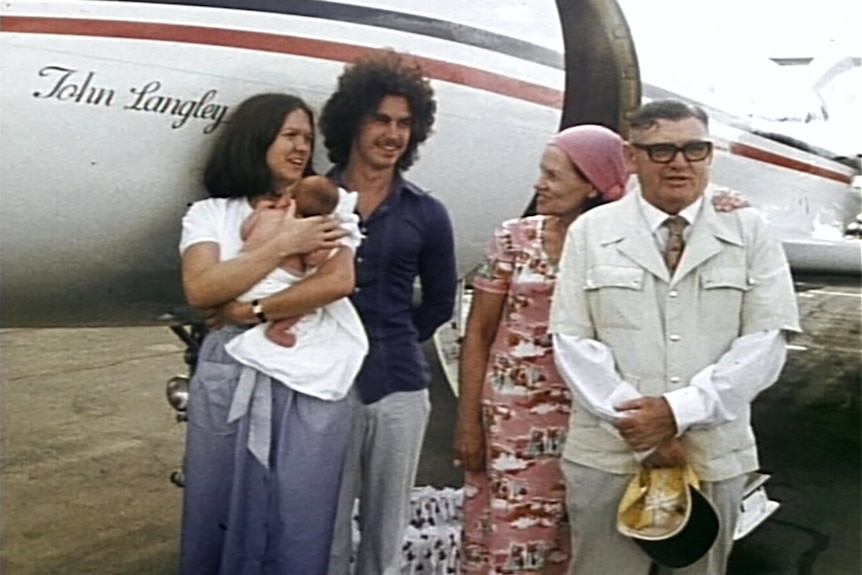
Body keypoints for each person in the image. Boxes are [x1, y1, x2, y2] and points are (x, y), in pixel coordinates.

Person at [549, 99, 801, 575]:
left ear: (709, 154)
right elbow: (573, 341)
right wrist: (642, 428)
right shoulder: (592, 232)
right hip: (608, 452)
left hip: (711, 452)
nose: (680, 162)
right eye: (661, 150)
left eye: (694, 149)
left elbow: (766, 340)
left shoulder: (750, 231)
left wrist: (677, 412)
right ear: (630, 156)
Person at [178, 92, 359, 575]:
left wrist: (249, 308)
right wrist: (286, 244)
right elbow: (200, 287)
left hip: (307, 377)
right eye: (289, 135)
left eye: (307, 138)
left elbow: (337, 281)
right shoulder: (211, 213)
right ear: (257, 139)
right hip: (231, 374)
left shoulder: (331, 212)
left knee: (298, 511)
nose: (301, 147)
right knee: (216, 500)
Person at [454, 124, 629, 575]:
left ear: (591, 185)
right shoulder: (515, 239)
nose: (539, 184)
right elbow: (477, 334)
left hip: (590, 423)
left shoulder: (621, 248)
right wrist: (468, 423)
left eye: (553, 176)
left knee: (577, 547)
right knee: (510, 546)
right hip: (512, 423)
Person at [321, 51, 458, 575]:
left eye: (404, 123)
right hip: (326, 384)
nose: (393, 133)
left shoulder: (427, 213)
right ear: (353, 121)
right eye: (381, 119)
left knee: (386, 525)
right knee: (323, 521)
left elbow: (441, 301)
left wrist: (395, 337)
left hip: (398, 384)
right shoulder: (314, 198)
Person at [224, 173, 368, 401]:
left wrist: (261, 211)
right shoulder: (307, 230)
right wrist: (328, 248)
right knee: (303, 300)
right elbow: (312, 261)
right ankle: (279, 328)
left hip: (248, 280)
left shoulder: (267, 214)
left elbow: (244, 231)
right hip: (277, 285)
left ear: (289, 196)